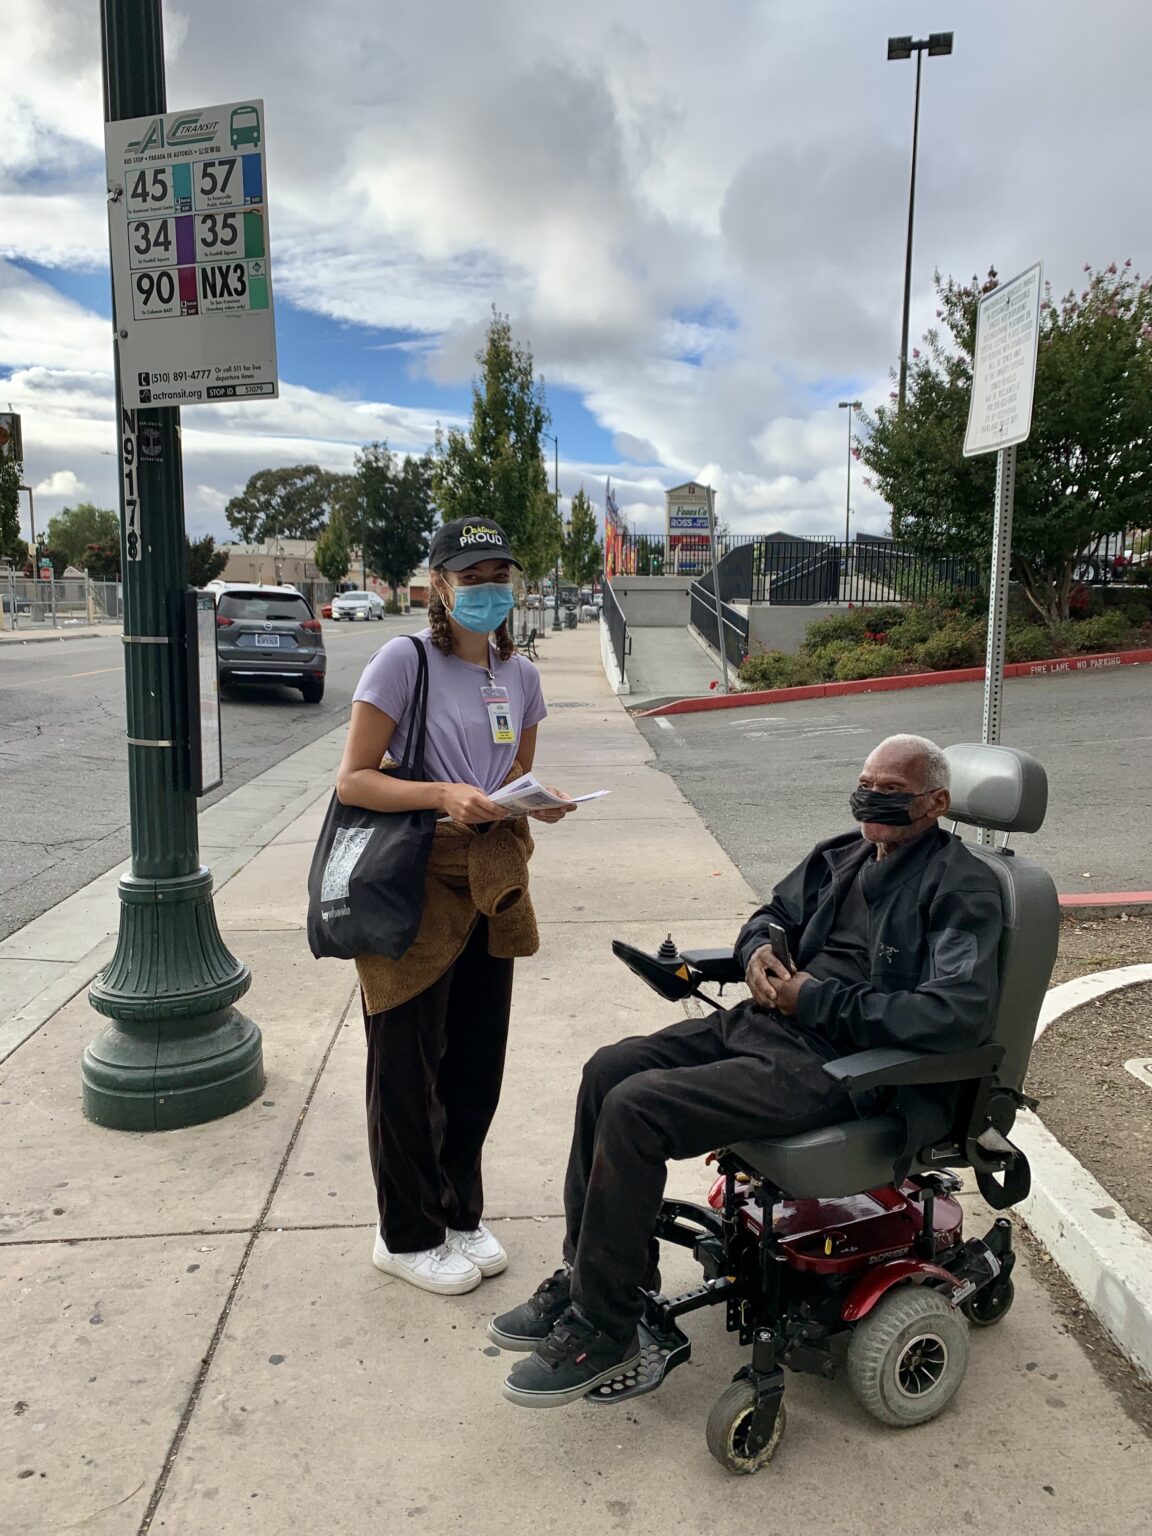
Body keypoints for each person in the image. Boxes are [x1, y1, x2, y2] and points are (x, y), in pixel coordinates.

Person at [491, 733, 1004, 1407]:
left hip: (845, 1067)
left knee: (638, 1107)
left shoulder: (963, 888)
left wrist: (816, 998)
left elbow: (953, 1014)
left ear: (936, 803)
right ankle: (593, 1275)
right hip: (766, 1026)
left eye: (892, 791)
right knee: (608, 1070)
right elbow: (771, 914)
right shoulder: (839, 855)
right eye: (864, 783)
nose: (871, 799)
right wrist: (759, 950)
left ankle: (603, 1325)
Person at [336, 516, 575, 1298]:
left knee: (475, 1061)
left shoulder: (522, 677)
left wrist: (533, 804)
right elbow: (354, 779)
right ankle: (405, 1234)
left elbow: (511, 778)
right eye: (471, 578)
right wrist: (442, 793)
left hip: (491, 877)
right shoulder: (404, 661)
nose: (488, 591)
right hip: (413, 878)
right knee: (407, 1064)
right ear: (439, 584)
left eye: (499, 576)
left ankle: (459, 1211)